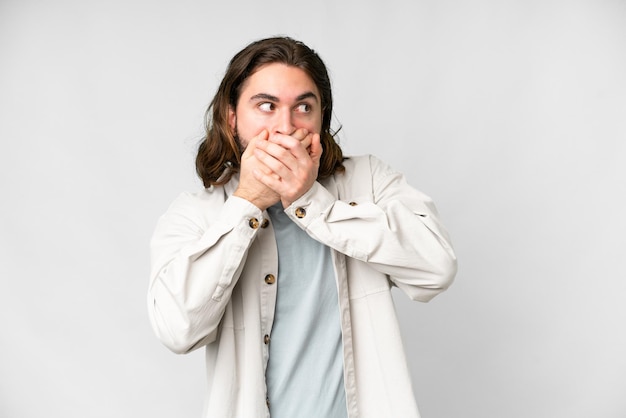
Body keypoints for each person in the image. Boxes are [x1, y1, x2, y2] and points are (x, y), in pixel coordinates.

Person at [148, 36, 457, 418]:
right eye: (266, 106)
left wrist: (311, 203)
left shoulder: (369, 181)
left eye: (303, 107)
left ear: (320, 118)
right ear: (232, 118)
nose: (285, 126)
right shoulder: (195, 215)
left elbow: (436, 269)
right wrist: (246, 204)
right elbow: (177, 330)